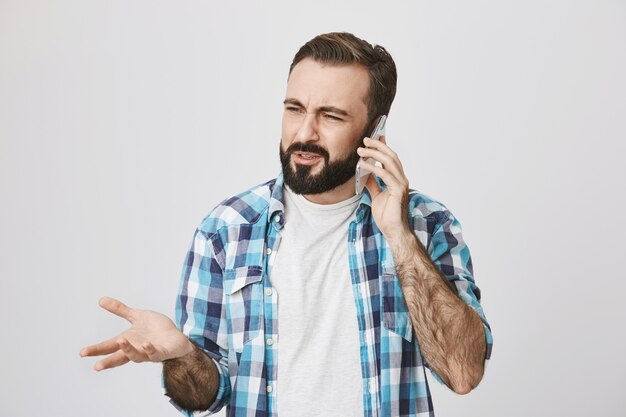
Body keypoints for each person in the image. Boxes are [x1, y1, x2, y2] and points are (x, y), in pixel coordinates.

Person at [80, 32, 493, 417]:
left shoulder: (427, 224)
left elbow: (462, 373)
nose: (304, 132)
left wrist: (399, 236)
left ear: (375, 131)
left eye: (330, 116)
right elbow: (202, 395)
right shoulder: (226, 228)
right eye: (295, 109)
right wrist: (181, 355)